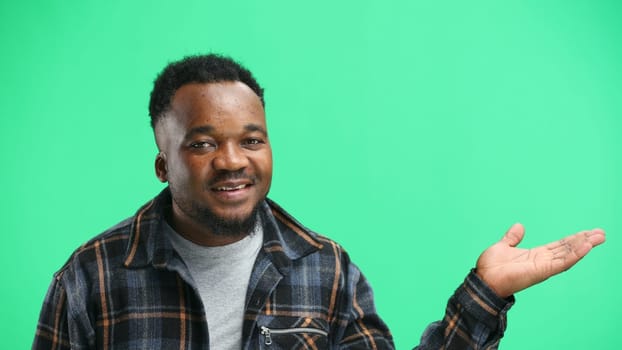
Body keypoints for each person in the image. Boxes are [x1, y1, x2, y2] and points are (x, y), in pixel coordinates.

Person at [32, 54, 606, 350]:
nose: (233, 160)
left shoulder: (325, 270)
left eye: (251, 140)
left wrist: (484, 296)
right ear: (163, 165)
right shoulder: (90, 279)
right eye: (203, 144)